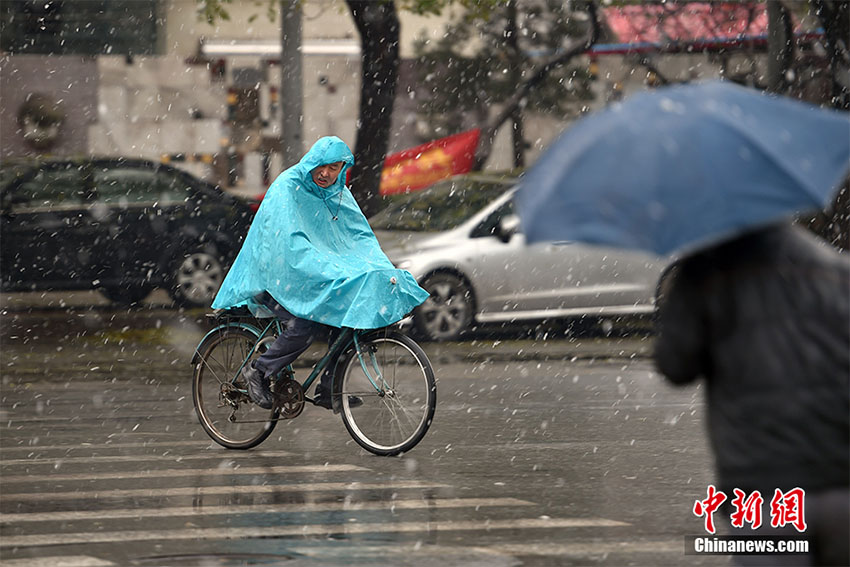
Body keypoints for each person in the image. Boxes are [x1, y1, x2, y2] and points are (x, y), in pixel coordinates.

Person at [654, 223, 849, 566]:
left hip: (766, 485)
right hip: (840, 480)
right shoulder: (832, 266)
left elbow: (675, 364)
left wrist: (681, 300)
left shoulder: (706, 273)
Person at [211, 136, 429, 410]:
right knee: (303, 325)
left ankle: (330, 389)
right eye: (321, 166)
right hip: (272, 277)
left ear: (342, 169)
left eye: (335, 167)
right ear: (312, 161)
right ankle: (258, 370)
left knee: (347, 322)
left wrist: (378, 268)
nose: (326, 173)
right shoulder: (287, 187)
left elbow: (360, 237)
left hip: (311, 277)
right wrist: (324, 269)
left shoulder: (338, 194)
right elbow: (289, 244)